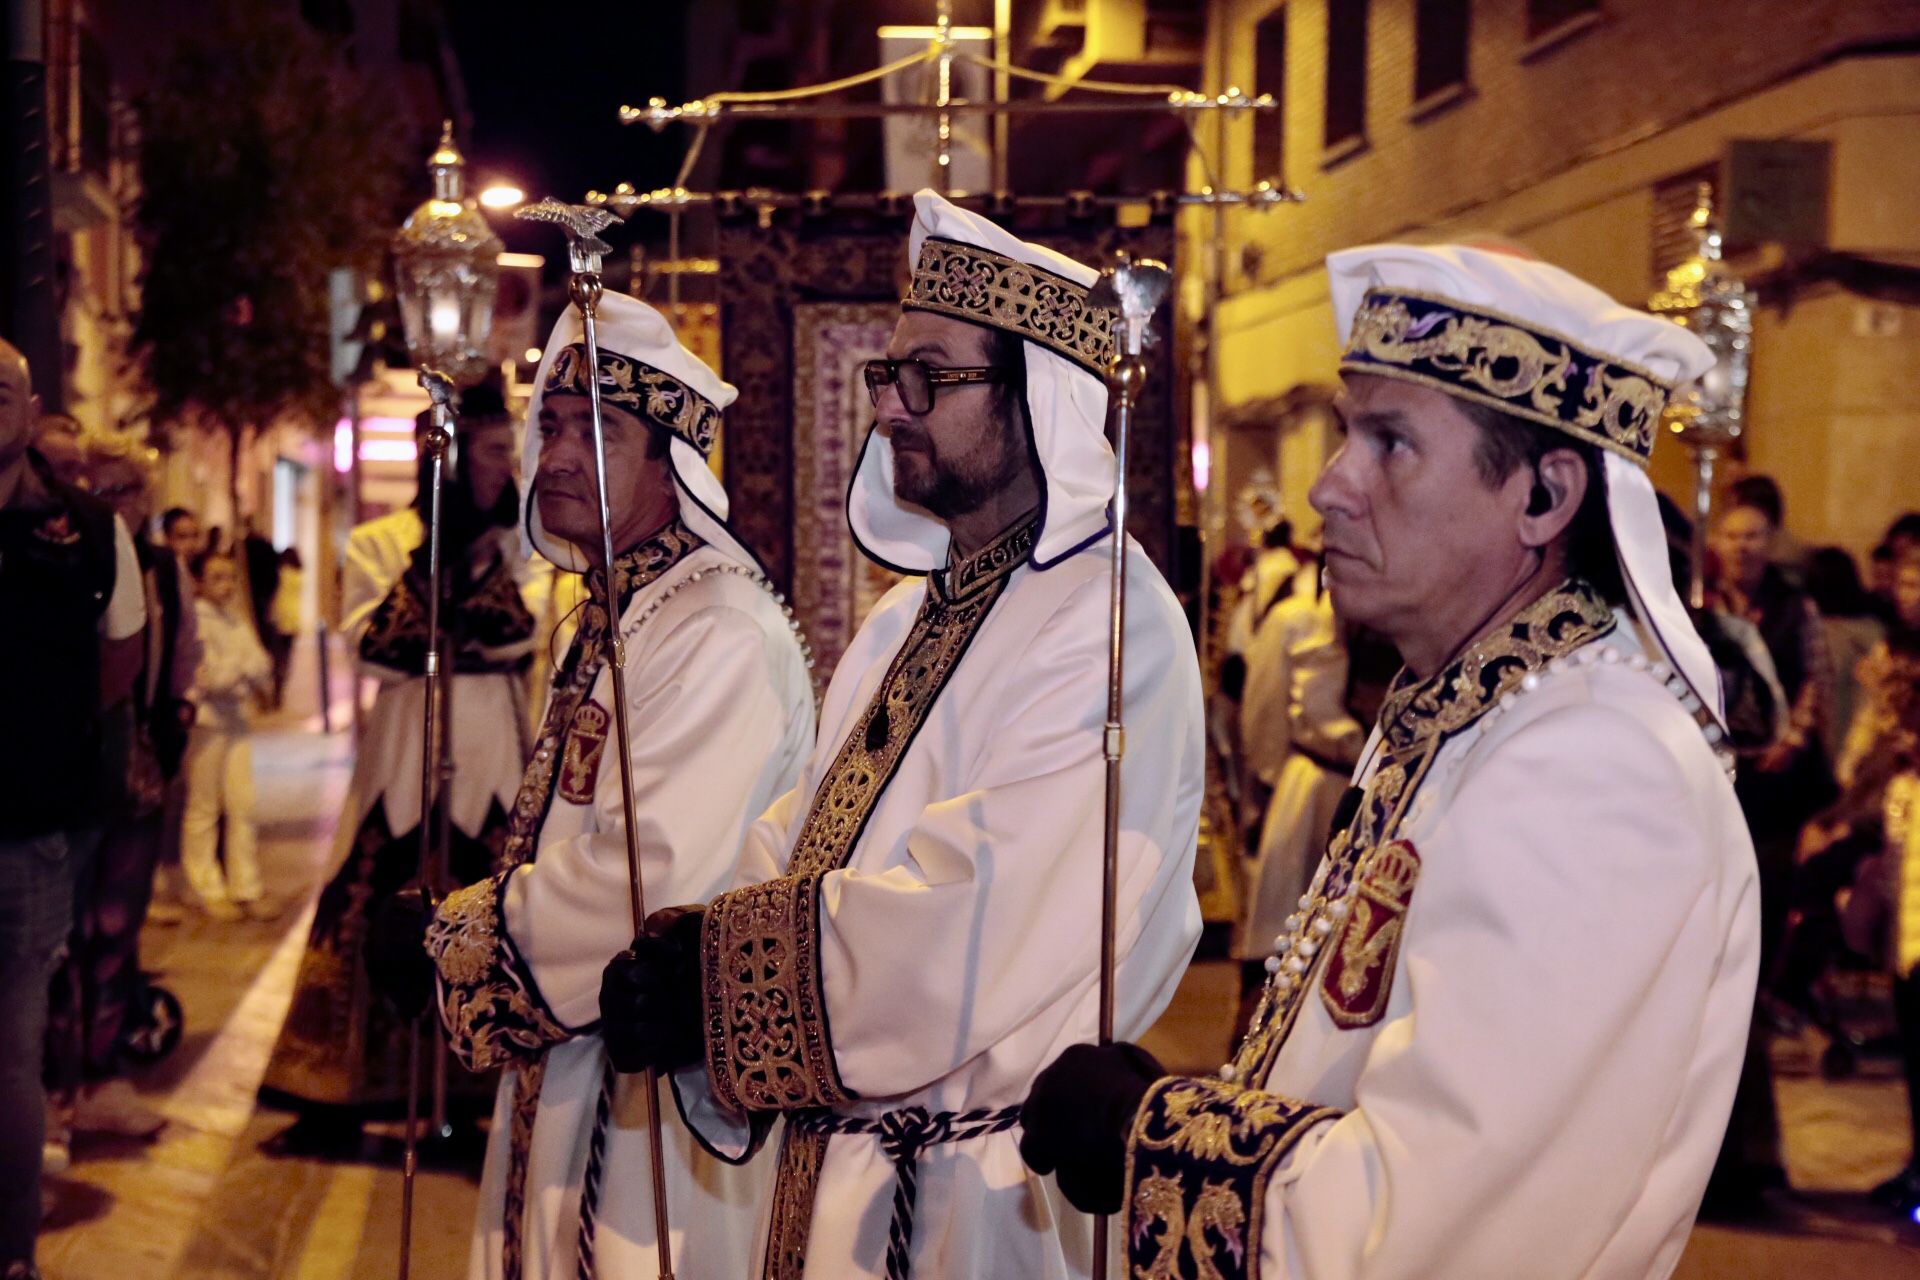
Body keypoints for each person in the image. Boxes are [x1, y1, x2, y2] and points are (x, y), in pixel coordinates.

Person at [1019, 242, 1760, 1278]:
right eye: (1343, 433)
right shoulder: (1466, 708)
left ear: (1545, 498)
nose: (1329, 486)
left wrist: (1154, 1136)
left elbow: (1440, 1218)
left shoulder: (1596, 763)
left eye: (1391, 442)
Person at [594, 192, 1206, 1279]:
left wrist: (731, 982)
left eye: (934, 377)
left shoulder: (1112, 625)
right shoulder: (899, 618)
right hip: (836, 1180)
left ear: (1038, 398)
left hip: (979, 1208)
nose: (892, 407)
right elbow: (804, 830)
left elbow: (980, 909)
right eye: (888, 376)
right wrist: (702, 941)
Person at [373, 297, 817, 1280]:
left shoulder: (717, 631)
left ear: (674, 465)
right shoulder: (609, 618)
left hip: (657, 1095)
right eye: (554, 425)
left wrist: (455, 940)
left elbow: (642, 879)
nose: (560, 454)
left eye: (601, 429)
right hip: (565, 1060)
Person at [260, 382, 538, 1150]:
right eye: (487, 452)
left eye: (505, 452)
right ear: (443, 461)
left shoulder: (525, 541)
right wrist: (431, 568)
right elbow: (373, 645)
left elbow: (519, 634)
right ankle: (340, 1089)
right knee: (373, 889)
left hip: (491, 740)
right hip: (403, 744)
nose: (502, 466)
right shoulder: (378, 543)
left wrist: (478, 570)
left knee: (493, 900)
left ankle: (480, 1094)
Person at [0, 338, 145, 1280]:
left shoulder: (85, 529)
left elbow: (122, 656)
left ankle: (12, 1253)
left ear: (28, 404)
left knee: (12, 1055)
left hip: (27, 833)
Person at [43, 430, 197, 1166]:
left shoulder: (164, 571)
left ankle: (101, 1078)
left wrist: (169, 739)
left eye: (120, 493)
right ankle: (52, 1089)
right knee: (56, 940)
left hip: (136, 776)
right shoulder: (66, 558)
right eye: (95, 491)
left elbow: (180, 665)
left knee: (115, 937)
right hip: (72, 778)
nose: (109, 506)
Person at [179, 549, 273, 920]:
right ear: (199, 581)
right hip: (207, 724)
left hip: (235, 720)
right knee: (204, 806)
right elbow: (210, 678)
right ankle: (204, 886)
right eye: (217, 577)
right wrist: (242, 671)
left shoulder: (235, 621)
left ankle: (245, 886)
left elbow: (262, 665)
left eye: (231, 576)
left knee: (242, 803)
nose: (227, 584)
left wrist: (240, 671)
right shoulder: (197, 621)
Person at [265, 547, 304, 709]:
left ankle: (275, 691)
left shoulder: (281, 573)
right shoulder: (299, 575)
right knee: (286, 658)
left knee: (276, 657)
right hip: (294, 620)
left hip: (280, 617)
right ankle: (279, 692)